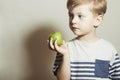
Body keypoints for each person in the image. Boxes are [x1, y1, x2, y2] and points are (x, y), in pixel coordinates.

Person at [48, 0, 120, 80]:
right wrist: (65, 55)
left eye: (80, 16)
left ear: (97, 20)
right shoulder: (65, 48)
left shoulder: (109, 50)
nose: (73, 21)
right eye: (71, 15)